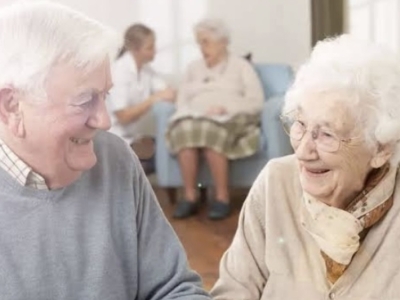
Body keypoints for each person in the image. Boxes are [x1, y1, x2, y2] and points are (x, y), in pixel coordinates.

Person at [0, 2, 211, 299]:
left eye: (104, 95)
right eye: (85, 100)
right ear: (12, 107)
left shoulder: (116, 158)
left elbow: (174, 287)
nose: (104, 120)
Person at [211, 34, 400, 299]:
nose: (302, 151)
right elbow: (234, 290)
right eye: (300, 124)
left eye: (327, 134)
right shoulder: (275, 183)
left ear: (381, 149)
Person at [167, 18, 264, 220]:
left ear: (223, 42)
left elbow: (256, 101)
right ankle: (190, 196)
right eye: (199, 42)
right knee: (184, 130)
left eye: (206, 42)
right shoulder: (193, 68)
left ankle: (222, 198)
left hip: (230, 117)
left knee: (212, 132)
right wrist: (190, 111)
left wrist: (225, 107)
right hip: (195, 117)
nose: (202, 48)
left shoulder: (241, 66)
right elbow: (181, 101)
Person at [108, 23, 176, 174]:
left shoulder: (145, 70)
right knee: (160, 155)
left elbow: (167, 92)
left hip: (132, 137)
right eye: (150, 47)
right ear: (136, 50)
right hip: (113, 136)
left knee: (169, 149)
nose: (155, 51)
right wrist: (154, 98)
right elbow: (123, 116)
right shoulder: (119, 71)